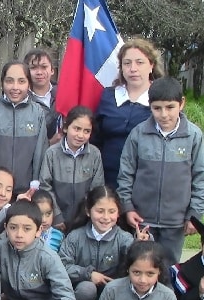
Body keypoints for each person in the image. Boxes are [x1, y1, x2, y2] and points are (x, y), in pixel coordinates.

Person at [117, 76, 204, 266]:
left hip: (176, 222)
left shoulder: (194, 136)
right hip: (143, 219)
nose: (164, 114)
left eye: (170, 107)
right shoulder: (139, 134)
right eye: (157, 108)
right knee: (142, 265)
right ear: (150, 106)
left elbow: (201, 179)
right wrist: (128, 207)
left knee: (169, 268)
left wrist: (194, 215)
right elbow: (125, 175)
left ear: (181, 104)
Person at [59, 186, 151, 300]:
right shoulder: (75, 236)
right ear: (88, 211)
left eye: (111, 211)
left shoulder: (123, 238)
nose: (106, 217)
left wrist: (140, 243)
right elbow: (62, 266)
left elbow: (137, 259)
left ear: (118, 212)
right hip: (79, 292)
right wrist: (88, 274)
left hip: (109, 294)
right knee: (87, 288)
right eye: (100, 211)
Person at [92, 38, 164, 189]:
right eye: (127, 63)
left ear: (151, 65)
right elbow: (95, 138)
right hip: (107, 180)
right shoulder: (108, 96)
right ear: (121, 68)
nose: (133, 68)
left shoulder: (161, 100)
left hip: (146, 183)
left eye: (139, 62)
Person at [0, 60, 48, 196]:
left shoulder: (37, 112)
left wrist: (35, 182)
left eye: (21, 81)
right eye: (9, 81)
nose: (15, 87)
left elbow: (40, 151)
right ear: (2, 82)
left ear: (29, 84)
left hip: (25, 188)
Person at [39, 105, 104, 230]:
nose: (81, 135)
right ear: (65, 127)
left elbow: (97, 188)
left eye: (87, 131)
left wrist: (86, 215)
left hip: (84, 220)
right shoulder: (52, 153)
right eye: (77, 128)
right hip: (57, 220)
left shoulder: (94, 154)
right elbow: (45, 186)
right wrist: (56, 215)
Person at [24, 48, 61, 145]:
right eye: (33, 68)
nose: (39, 72)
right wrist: (49, 143)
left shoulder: (63, 94)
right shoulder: (22, 101)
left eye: (44, 67)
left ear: (52, 70)